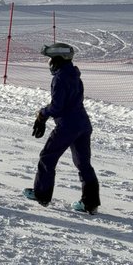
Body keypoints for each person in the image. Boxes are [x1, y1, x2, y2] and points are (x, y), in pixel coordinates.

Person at [24, 42, 100, 214]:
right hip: (83, 124)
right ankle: (91, 203)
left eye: (51, 60)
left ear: (57, 60)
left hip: (68, 125)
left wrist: (42, 115)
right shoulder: (74, 75)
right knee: (83, 164)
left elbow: (57, 106)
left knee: (47, 157)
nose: (49, 64)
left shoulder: (59, 78)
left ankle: (41, 194)